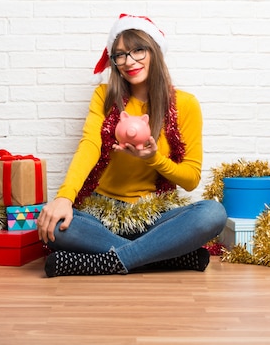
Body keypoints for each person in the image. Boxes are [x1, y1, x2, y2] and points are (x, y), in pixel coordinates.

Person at [37, 14, 227, 277]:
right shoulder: (104, 96)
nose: (129, 61)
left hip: (153, 218)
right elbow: (89, 145)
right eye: (120, 55)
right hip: (101, 217)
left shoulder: (185, 104)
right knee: (54, 224)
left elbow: (191, 179)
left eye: (138, 50)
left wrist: (153, 158)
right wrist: (64, 198)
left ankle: (103, 262)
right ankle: (163, 258)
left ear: (155, 51)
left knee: (212, 213)